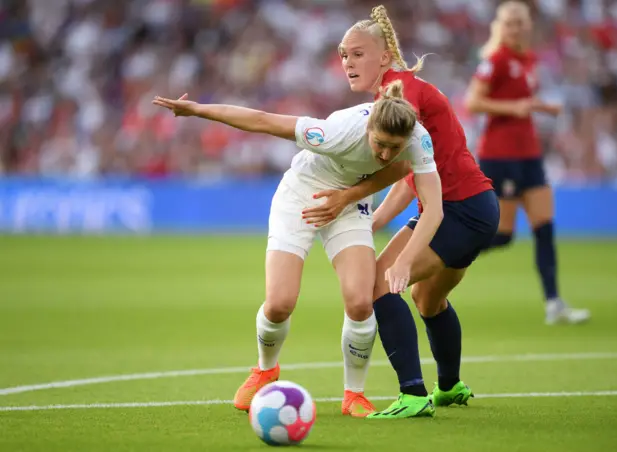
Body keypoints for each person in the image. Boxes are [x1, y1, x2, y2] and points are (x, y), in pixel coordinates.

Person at [152, 82, 442, 418]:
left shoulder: (417, 139)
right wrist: (197, 109)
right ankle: (265, 370)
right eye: (380, 144)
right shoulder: (335, 132)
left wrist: (349, 200)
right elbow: (261, 120)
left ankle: (354, 394)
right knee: (279, 303)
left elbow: (410, 175)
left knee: (361, 301)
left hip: (348, 204)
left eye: (395, 147)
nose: (386, 154)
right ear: (368, 129)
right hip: (301, 197)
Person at [301, 5, 497, 418]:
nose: (347, 62)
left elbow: (406, 168)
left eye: (357, 53)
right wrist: (372, 221)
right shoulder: (397, 91)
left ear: (385, 55)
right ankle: (448, 386)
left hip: (457, 210)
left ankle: (412, 394)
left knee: (379, 284)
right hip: (473, 207)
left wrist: (349, 197)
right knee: (427, 300)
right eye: (343, 54)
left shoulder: (399, 96)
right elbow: (413, 177)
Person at [464, 0, 590, 325]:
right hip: (499, 156)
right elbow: (473, 102)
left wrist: (542, 108)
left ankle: (553, 303)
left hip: (529, 154)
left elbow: (521, 103)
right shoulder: (496, 60)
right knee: (502, 236)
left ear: (528, 27)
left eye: (521, 24)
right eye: (510, 24)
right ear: (501, 28)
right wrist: (515, 108)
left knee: (545, 229)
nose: (516, 29)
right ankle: (441, 256)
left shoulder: (529, 60)